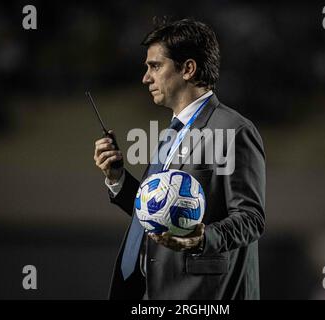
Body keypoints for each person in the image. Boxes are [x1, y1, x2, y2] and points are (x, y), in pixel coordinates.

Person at [93, 18, 266, 300]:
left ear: (187, 69)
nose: (145, 78)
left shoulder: (234, 130)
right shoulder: (171, 132)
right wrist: (117, 179)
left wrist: (201, 239)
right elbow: (159, 213)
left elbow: (251, 219)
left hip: (202, 295)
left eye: (155, 66)